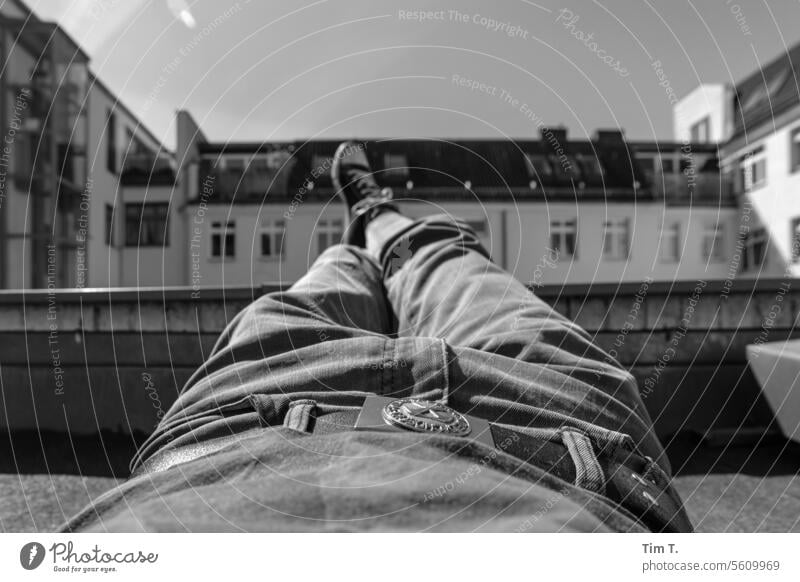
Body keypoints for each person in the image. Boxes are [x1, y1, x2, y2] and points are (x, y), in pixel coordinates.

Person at [63, 141, 692, 532]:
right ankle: (380, 219)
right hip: (548, 431)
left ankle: (362, 233)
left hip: (242, 432)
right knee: (447, 259)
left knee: (322, 284)